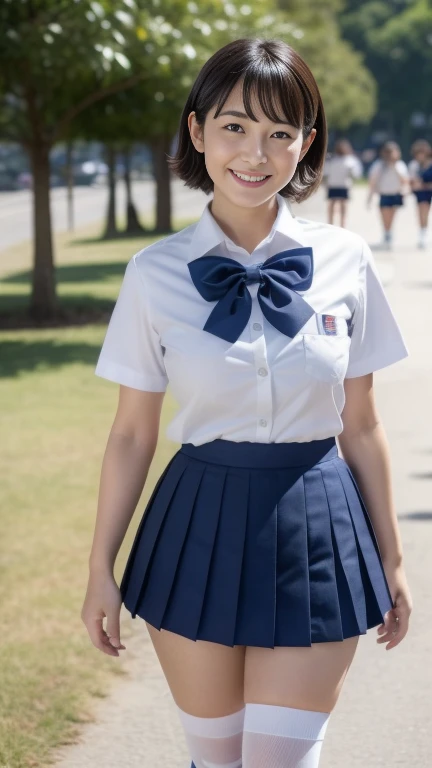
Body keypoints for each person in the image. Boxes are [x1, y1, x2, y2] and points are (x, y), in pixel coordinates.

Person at [81, 38, 413, 768]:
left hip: (320, 521)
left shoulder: (347, 262)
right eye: (234, 126)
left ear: (306, 144)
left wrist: (392, 557)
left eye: (279, 133)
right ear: (197, 132)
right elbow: (133, 435)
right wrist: (101, 566)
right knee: (217, 759)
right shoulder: (154, 273)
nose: (255, 153)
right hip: (195, 521)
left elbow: (362, 424)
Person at [366, 141, 410, 251]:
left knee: (392, 216)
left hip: (395, 194)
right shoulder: (379, 165)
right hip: (384, 194)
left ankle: (389, 234)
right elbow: (373, 181)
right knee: (385, 216)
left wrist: (394, 166)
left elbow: (404, 180)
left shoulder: (400, 165)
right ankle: (386, 234)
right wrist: (370, 197)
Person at [323, 139, 362, 227]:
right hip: (334, 185)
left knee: (342, 205)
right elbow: (326, 173)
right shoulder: (333, 159)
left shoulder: (350, 160)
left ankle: (341, 224)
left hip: (342, 185)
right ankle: (331, 223)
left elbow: (355, 174)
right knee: (333, 205)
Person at [408, 138, 432, 249]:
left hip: (428, 190)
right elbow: (412, 180)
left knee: (425, 211)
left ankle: (424, 232)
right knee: (421, 211)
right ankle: (422, 232)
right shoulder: (414, 165)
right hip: (420, 192)